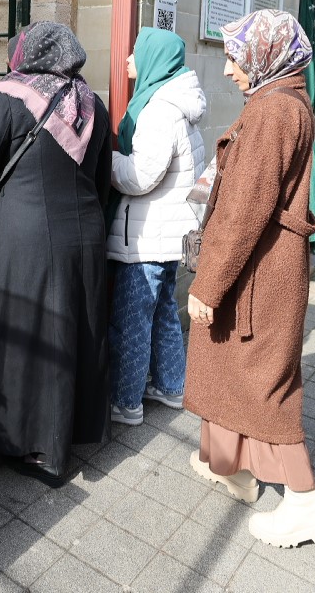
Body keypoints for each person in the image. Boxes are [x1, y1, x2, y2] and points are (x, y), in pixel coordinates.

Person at [182, 9, 315, 549]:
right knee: (236, 374)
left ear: (266, 55)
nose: (228, 70)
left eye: (234, 57)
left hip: (257, 275)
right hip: (264, 272)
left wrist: (208, 285)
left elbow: (245, 208)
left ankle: (304, 502)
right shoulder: (283, 101)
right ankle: (230, 467)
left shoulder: (273, 110)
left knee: (264, 388)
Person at [0, 21, 112, 487]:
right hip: (84, 236)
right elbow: (103, 177)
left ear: (26, 53)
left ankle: (19, 440)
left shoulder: (9, 96)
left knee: (21, 333)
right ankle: (58, 443)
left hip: (24, 240)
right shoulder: (91, 103)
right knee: (68, 335)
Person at [106, 28, 206, 426]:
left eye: (135, 53)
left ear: (153, 61)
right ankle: (170, 385)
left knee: (132, 319)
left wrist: (108, 159)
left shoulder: (159, 110)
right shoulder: (176, 103)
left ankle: (127, 402)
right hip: (168, 234)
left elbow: (140, 176)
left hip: (148, 237)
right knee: (164, 310)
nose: (128, 60)